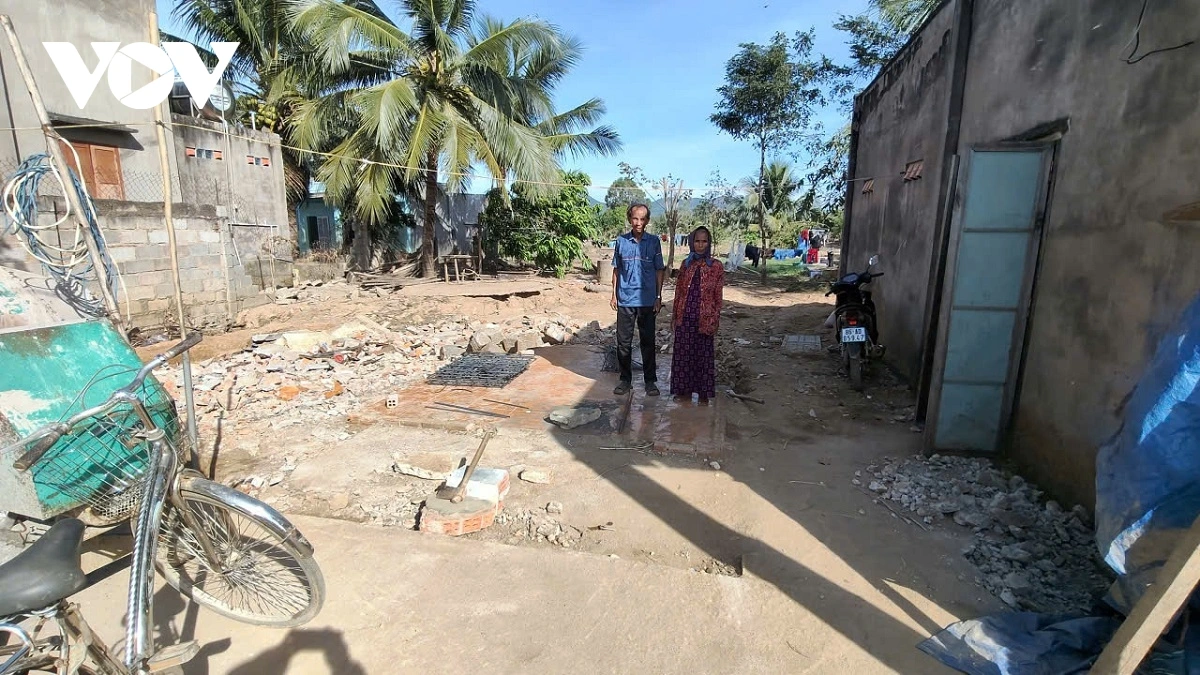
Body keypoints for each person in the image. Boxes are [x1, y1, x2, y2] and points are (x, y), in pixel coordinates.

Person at [610, 203, 666, 396]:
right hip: (625, 299)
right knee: (623, 343)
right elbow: (616, 270)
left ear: (647, 221)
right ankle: (625, 380)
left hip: (648, 300)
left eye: (642, 219)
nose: (638, 223)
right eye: (635, 218)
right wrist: (613, 295)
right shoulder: (621, 241)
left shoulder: (654, 242)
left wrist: (658, 297)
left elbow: (659, 270)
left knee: (648, 342)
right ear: (629, 219)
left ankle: (650, 382)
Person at [670, 226, 725, 404]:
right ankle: (683, 392)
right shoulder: (686, 265)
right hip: (685, 317)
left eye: (704, 241)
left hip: (705, 318)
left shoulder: (716, 266)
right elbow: (678, 292)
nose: (700, 245)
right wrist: (674, 316)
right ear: (692, 243)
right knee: (683, 356)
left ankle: (702, 394)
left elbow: (718, 295)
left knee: (703, 356)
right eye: (697, 241)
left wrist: (715, 318)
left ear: (709, 244)